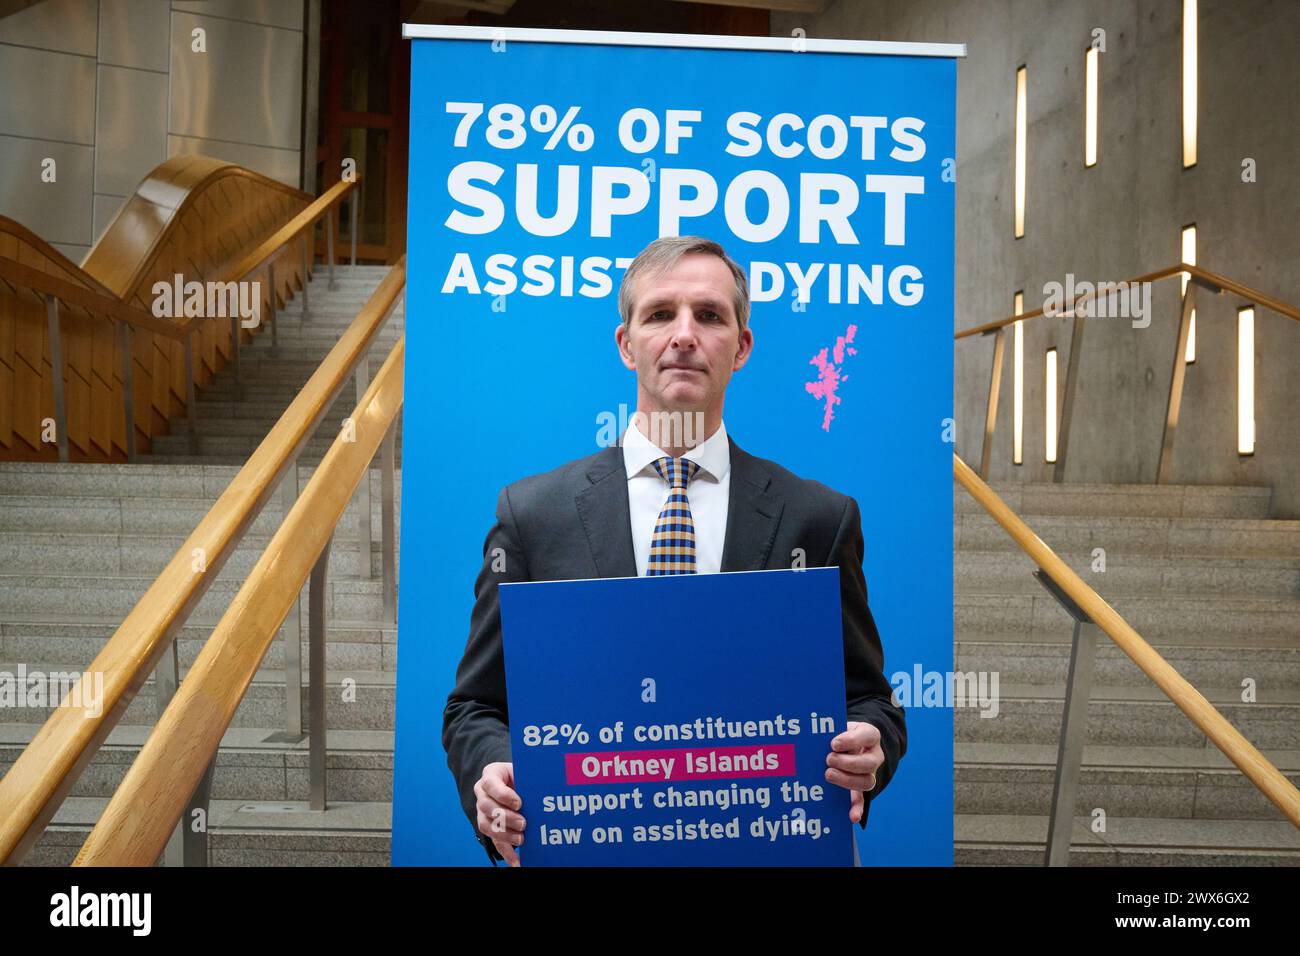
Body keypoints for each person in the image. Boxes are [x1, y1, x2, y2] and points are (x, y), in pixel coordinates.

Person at [442, 235, 906, 865]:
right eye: (660, 314)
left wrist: (871, 743)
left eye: (709, 315)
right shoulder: (532, 516)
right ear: (625, 343)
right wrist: (492, 772)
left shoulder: (818, 519)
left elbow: (870, 700)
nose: (684, 334)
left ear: (741, 347)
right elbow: (475, 705)